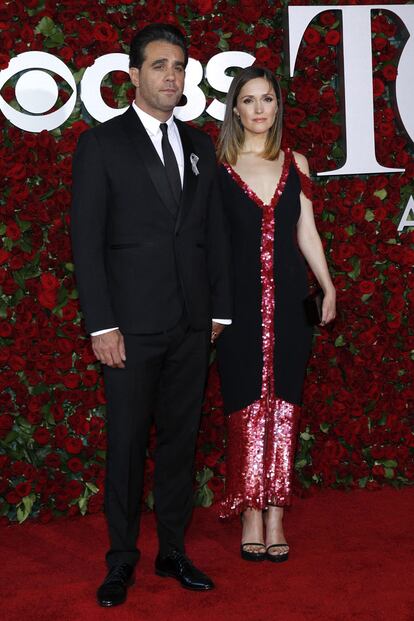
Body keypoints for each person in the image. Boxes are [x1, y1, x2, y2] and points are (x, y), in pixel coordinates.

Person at [71, 23, 231, 606]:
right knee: (127, 446)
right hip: (130, 330)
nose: (172, 76)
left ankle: (172, 551)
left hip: (192, 326)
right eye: (160, 65)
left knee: (180, 446)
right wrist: (101, 324)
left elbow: (211, 234)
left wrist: (221, 311)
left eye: (179, 67)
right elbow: (85, 243)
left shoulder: (197, 146)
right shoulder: (101, 144)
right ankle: (120, 561)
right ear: (134, 75)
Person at [215, 66, 336, 563]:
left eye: (267, 99)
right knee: (244, 402)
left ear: (277, 107)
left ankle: (276, 514)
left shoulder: (297, 161)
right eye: (249, 100)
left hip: (289, 301)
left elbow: (305, 231)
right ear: (235, 108)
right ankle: (248, 509)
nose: (260, 109)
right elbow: (209, 243)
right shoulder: (217, 163)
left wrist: (327, 287)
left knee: (286, 402)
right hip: (236, 307)